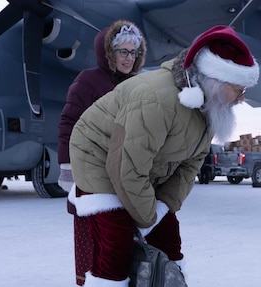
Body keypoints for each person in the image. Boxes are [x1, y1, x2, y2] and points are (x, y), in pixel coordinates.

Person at [68, 25, 259, 286]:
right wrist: (147, 218)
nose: (241, 98)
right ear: (216, 81)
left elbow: (189, 168)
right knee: (116, 244)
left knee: (169, 238)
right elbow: (126, 167)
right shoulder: (158, 100)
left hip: (138, 167)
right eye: (239, 89)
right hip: (98, 158)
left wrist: (162, 209)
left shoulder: (207, 110)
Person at [57, 20, 147, 286]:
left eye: (134, 52)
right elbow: (68, 123)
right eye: (123, 51)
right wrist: (67, 166)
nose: (128, 58)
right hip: (92, 177)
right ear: (109, 52)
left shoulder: (138, 85)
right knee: (93, 243)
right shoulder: (88, 80)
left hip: (125, 177)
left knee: (123, 246)